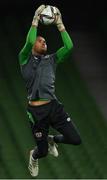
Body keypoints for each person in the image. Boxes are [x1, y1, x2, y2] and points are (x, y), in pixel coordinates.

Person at [18, 4, 82, 177]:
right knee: (43, 152)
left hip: (53, 106)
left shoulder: (52, 59)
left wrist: (60, 24)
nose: (43, 41)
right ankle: (34, 155)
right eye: (41, 40)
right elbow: (30, 41)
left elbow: (69, 47)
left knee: (75, 140)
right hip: (36, 111)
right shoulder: (24, 59)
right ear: (33, 47)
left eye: (45, 41)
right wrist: (35, 20)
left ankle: (53, 139)